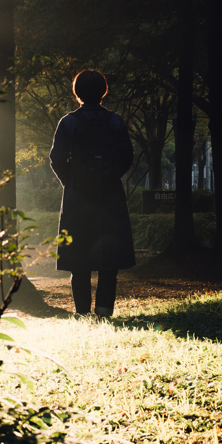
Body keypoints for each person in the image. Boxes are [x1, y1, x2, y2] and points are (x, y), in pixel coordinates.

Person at [49, 70, 135, 318]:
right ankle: (105, 311)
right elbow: (127, 155)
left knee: (79, 257)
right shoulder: (115, 121)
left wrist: (72, 181)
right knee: (110, 257)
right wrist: (111, 177)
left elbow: (56, 159)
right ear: (103, 91)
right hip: (111, 196)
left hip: (78, 198)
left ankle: (83, 312)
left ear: (77, 92)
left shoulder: (68, 122)